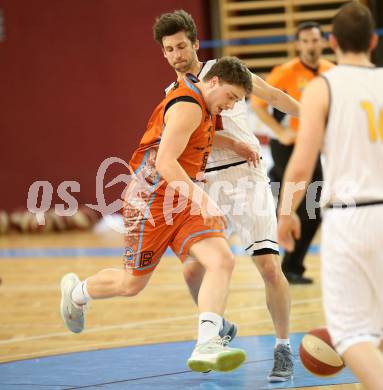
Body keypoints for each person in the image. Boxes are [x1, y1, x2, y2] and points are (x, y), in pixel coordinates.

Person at [60, 57, 253, 373]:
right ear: (215, 82)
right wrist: (204, 200)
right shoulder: (188, 105)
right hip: (151, 201)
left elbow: (195, 136)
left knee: (222, 259)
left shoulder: (202, 104)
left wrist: (234, 143)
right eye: (231, 97)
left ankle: (207, 343)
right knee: (130, 285)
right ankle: (76, 293)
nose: (231, 106)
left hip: (180, 197)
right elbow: (165, 162)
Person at [153, 10, 300, 382]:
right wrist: (228, 139)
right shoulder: (174, 95)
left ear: (196, 43)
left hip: (244, 179)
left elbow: (272, 95)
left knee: (268, 266)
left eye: (182, 46)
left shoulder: (225, 71)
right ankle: (217, 327)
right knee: (191, 271)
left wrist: (313, 117)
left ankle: (283, 349)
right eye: (169, 50)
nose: (177, 55)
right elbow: (190, 136)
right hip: (205, 182)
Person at [277, 3, 383, 389]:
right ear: (373, 41)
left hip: (351, 217)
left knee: (350, 333)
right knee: (378, 327)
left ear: (332, 42)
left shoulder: (324, 86)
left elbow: (302, 164)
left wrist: (286, 212)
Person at [252, 21, 334, 284]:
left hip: (313, 144)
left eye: (315, 40)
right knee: (293, 200)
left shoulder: (330, 71)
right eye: (306, 41)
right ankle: (284, 261)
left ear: (323, 42)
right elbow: (258, 104)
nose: (311, 45)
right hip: (287, 144)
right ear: (298, 44)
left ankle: (293, 266)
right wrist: (281, 131)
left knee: (313, 206)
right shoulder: (285, 72)